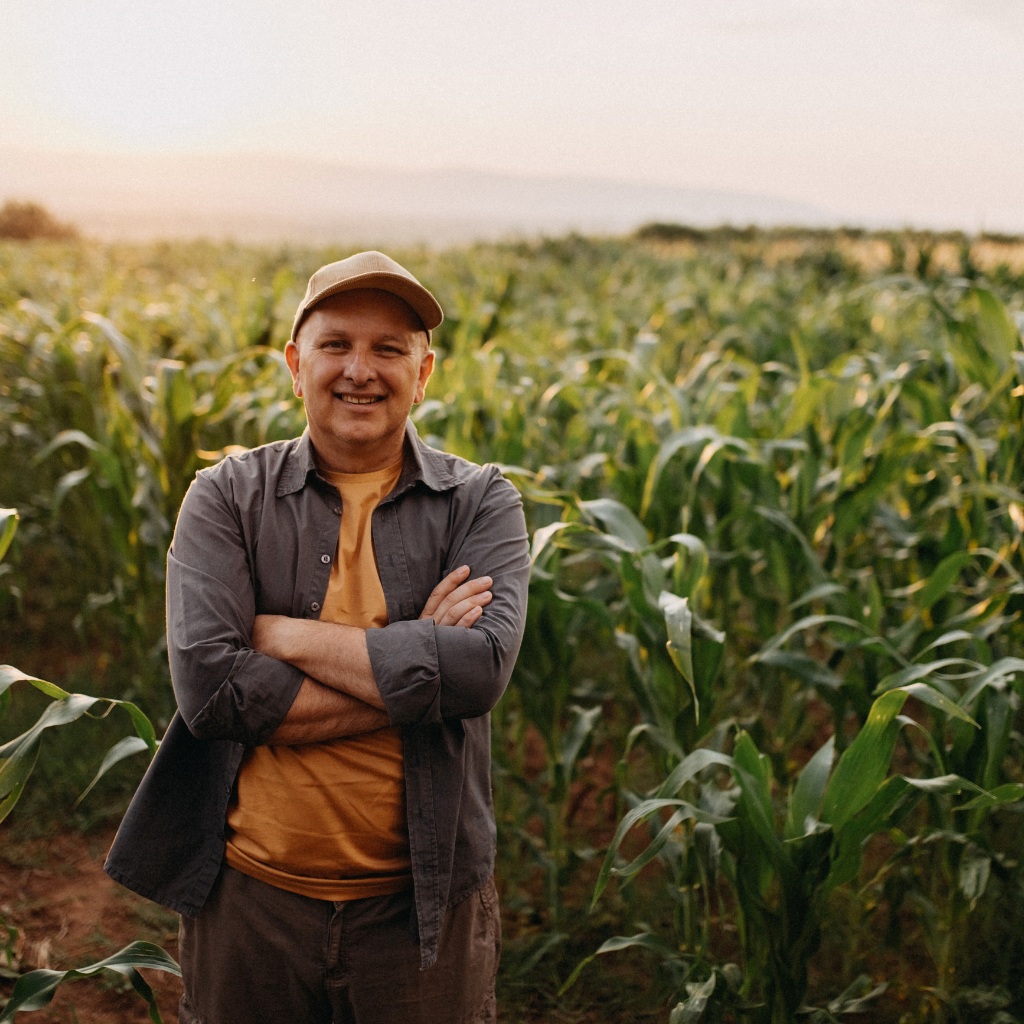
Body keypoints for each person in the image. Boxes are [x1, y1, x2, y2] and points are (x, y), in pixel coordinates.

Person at [105, 251, 531, 1024]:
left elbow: (479, 672)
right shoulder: (227, 497)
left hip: (420, 910)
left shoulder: (481, 501)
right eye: (336, 345)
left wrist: (281, 636)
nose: (360, 371)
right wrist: (417, 665)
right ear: (296, 366)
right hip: (251, 900)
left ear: (424, 373)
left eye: (388, 349)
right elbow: (211, 691)